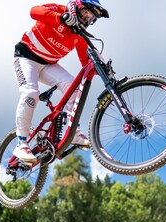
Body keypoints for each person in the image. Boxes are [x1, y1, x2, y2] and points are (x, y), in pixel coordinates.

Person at [12, 0, 109, 163]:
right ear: (77, 6)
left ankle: (74, 134)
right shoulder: (59, 10)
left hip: (48, 65)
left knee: (75, 88)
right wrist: (61, 18)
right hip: (25, 58)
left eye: (91, 18)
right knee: (30, 93)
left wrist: (101, 67)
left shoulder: (79, 34)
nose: (87, 19)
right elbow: (34, 11)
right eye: (86, 13)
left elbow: (85, 62)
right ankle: (21, 143)